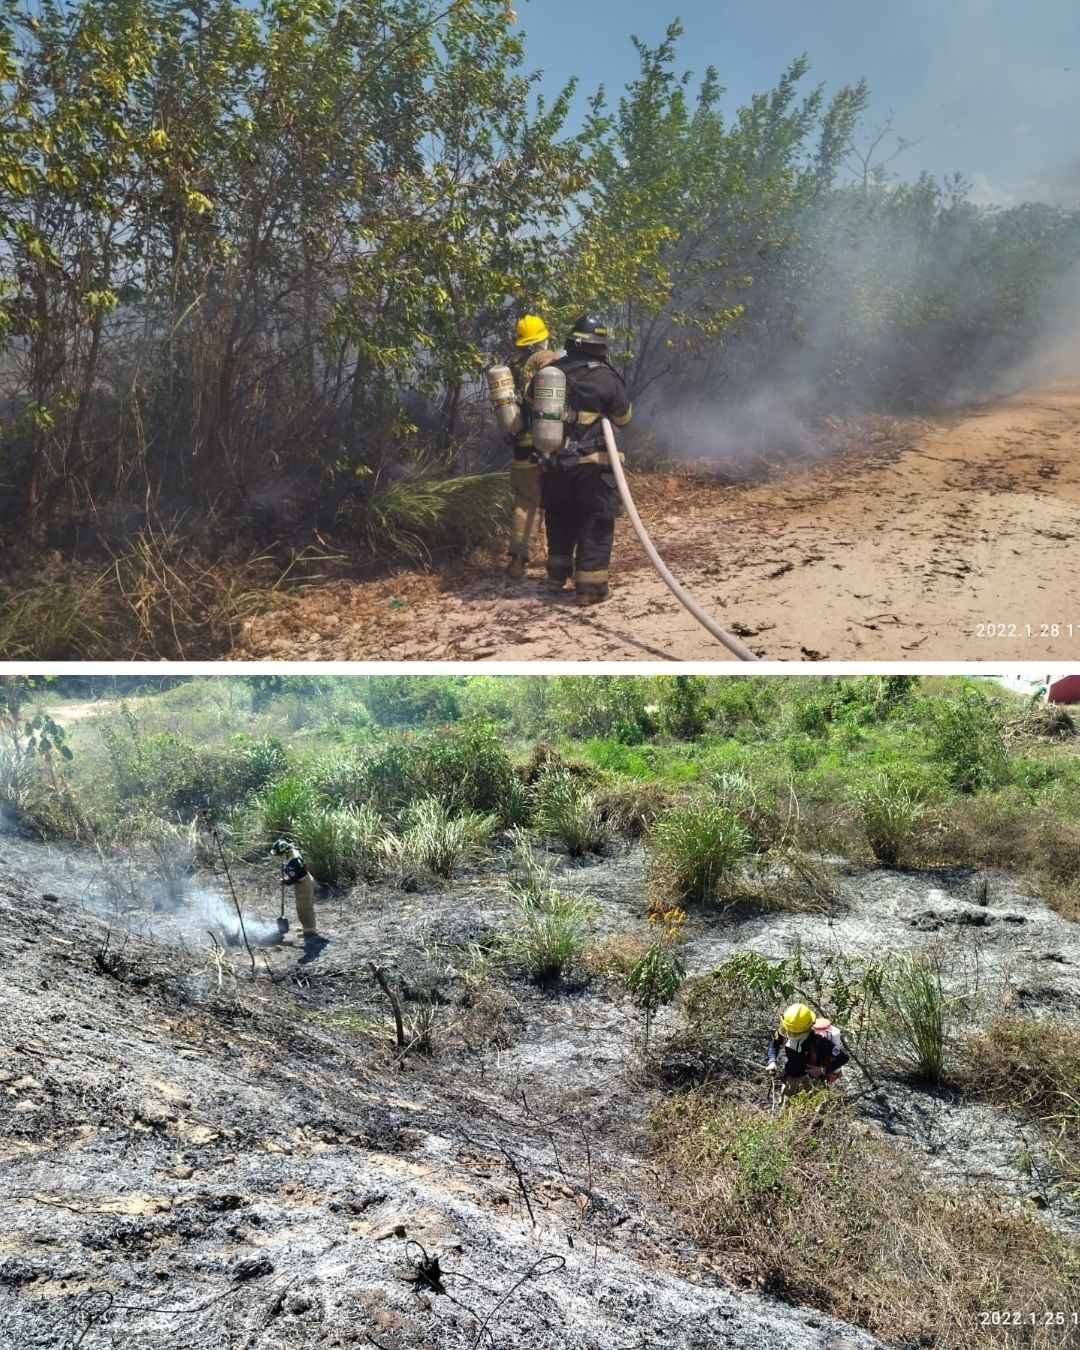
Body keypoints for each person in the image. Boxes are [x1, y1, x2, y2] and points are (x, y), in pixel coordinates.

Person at [533, 314, 632, 605]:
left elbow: (530, 405)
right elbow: (624, 418)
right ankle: (590, 588)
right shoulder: (605, 377)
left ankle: (555, 577)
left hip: (554, 463)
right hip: (592, 466)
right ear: (600, 345)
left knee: (560, 517)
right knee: (595, 521)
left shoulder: (550, 372)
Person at [506, 314, 560, 580]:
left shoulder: (512, 368)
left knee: (525, 504)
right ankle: (558, 560)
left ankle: (517, 561)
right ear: (544, 336)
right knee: (558, 503)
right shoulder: (548, 360)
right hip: (548, 447)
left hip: (521, 449)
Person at [766, 1003, 849, 1100]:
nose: (788, 1034)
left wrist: (822, 1070)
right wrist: (772, 1061)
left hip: (812, 1082)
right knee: (785, 1106)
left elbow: (843, 1058)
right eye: (788, 1030)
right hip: (791, 1077)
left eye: (793, 1032)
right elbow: (775, 1044)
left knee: (813, 1109)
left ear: (805, 1030)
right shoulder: (787, 1028)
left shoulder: (819, 1041)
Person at [271, 839, 328, 963]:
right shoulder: (291, 853)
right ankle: (306, 928)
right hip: (302, 882)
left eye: (278, 854)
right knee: (300, 908)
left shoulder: (293, 862)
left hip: (303, 883)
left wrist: (286, 881)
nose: (278, 857)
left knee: (305, 908)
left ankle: (310, 932)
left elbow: (298, 876)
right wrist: (288, 877)